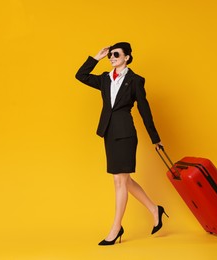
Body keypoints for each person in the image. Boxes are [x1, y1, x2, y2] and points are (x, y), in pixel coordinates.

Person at [75, 42, 168, 246]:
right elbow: (80, 76)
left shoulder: (135, 81)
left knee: (119, 181)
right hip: (109, 133)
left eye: (116, 54)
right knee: (124, 180)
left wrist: (155, 138)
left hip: (125, 134)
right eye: (110, 55)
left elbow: (145, 111)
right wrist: (96, 58)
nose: (112, 57)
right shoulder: (105, 79)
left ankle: (116, 228)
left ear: (127, 57)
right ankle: (155, 209)